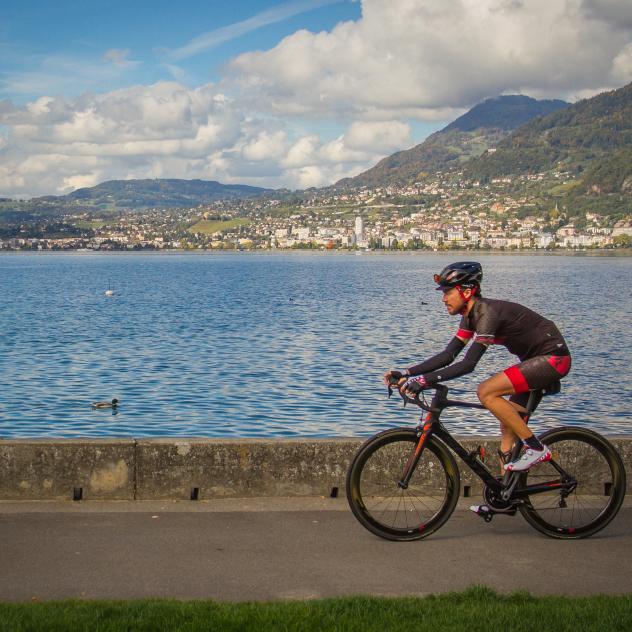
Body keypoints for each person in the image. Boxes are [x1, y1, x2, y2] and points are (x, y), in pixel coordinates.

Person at [384, 261, 571, 474]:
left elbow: (468, 364)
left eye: (447, 292)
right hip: (533, 362)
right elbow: (448, 355)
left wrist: (425, 381)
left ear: (466, 291)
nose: (443, 298)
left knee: (486, 391)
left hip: (553, 358)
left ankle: (536, 448)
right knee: (508, 426)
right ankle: (506, 494)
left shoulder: (487, 313)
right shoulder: (469, 318)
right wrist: (408, 373)